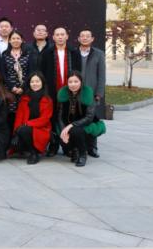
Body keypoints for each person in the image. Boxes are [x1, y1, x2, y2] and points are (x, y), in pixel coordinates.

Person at [40, 26, 81, 156]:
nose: (60, 37)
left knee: (68, 118)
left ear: (67, 36)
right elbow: (42, 73)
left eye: (62, 34)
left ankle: (68, 146)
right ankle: (53, 145)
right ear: (53, 37)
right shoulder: (47, 53)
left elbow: (79, 73)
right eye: (57, 35)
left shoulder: (74, 52)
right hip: (52, 92)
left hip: (70, 92)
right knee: (52, 119)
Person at [57, 71, 100, 167]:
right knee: (62, 137)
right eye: (70, 82)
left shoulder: (87, 93)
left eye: (76, 81)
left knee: (76, 131)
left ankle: (82, 154)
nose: (73, 84)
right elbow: (59, 116)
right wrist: (64, 130)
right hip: (68, 124)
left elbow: (89, 117)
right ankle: (74, 150)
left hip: (84, 123)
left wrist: (71, 125)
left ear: (81, 82)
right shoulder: (63, 93)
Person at [12, 72, 53, 165]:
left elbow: (45, 120)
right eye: (32, 82)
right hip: (25, 129)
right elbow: (19, 117)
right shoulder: (24, 98)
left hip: (41, 129)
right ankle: (32, 149)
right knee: (17, 145)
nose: (35, 84)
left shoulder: (47, 100)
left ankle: (34, 153)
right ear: (29, 84)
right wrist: (16, 132)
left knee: (24, 130)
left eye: (37, 81)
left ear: (42, 82)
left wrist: (27, 124)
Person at [77, 28, 106, 158]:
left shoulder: (98, 54)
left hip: (92, 93)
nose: (85, 38)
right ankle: (78, 147)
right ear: (78, 38)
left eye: (87, 36)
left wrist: (99, 93)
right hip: (76, 92)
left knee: (91, 120)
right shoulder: (74, 53)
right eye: (82, 36)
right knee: (78, 119)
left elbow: (102, 75)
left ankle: (92, 147)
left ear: (92, 39)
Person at [1, 30, 36, 127]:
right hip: (9, 89)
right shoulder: (5, 54)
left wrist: (22, 88)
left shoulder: (28, 54)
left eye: (18, 38)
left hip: (25, 89)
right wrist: (12, 87)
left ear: (22, 40)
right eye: (13, 38)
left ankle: (21, 133)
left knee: (24, 112)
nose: (15, 40)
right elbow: (3, 73)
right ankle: (11, 134)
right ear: (9, 41)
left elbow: (31, 72)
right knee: (10, 113)